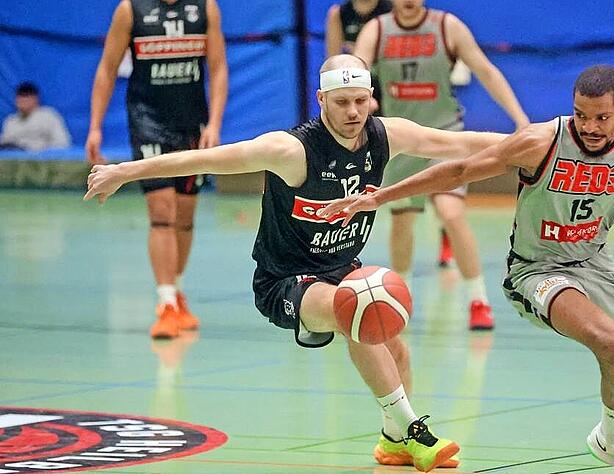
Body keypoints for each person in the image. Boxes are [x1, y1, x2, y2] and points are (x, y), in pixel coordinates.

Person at [320, 65, 614, 474]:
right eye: (582, 115)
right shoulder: (541, 142)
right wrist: (379, 196)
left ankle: (613, 441)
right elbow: (459, 169)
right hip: (536, 269)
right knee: (607, 339)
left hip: (594, 259)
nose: (591, 127)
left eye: (602, 118)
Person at [86, 54, 510, 472]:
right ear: (320, 100)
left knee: (391, 339)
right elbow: (204, 159)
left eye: (360, 101)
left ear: (371, 98)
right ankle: (413, 429)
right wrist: (124, 170)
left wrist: (538, 143)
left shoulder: (386, 136)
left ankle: (394, 441)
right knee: (359, 306)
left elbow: (461, 143)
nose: (353, 111)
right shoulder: (291, 150)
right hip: (284, 281)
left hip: (342, 268)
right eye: (341, 102)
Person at [354, 0, 530, 330]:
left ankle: (478, 300)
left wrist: (520, 119)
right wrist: (364, 94)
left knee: (451, 212)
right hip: (399, 140)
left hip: (444, 135)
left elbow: (486, 71)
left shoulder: (447, 26)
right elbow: (356, 67)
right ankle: (399, 299)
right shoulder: (376, 30)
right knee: (403, 221)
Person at [85, 0, 228, 339]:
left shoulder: (205, 8)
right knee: (162, 212)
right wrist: (94, 125)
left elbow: (218, 67)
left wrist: (215, 124)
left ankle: (176, 293)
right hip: (147, 120)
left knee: (184, 216)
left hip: (192, 123)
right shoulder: (130, 10)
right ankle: (164, 303)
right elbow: (107, 68)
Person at [0, 82, 71, 151]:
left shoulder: (48, 116)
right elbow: (4, 144)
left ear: (35, 99)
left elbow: (63, 143)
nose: (22, 101)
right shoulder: (10, 120)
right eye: (19, 97)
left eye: (26, 97)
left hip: (41, 158)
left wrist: (41, 152)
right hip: (15, 158)